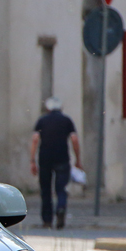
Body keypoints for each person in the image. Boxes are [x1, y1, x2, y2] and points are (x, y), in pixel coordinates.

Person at [30, 97, 82, 229]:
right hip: (62, 158)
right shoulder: (66, 120)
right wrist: (78, 159)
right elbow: (74, 139)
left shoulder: (42, 121)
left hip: (45, 159)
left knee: (45, 190)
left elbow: (35, 139)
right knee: (62, 189)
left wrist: (32, 161)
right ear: (61, 108)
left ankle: (47, 220)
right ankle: (60, 208)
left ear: (47, 108)